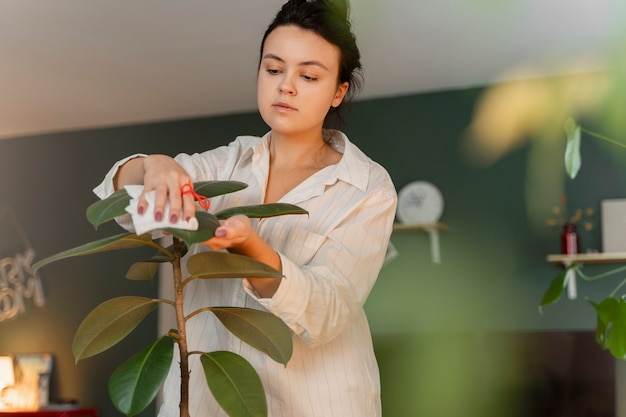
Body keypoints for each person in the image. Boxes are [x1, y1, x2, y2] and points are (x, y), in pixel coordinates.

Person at [94, 0, 397, 415]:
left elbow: (328, 311)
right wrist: (152, 166)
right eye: (273, 69)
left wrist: (251, 249)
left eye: (308, 75)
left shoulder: (368, 188)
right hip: (203, 402)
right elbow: (127, 207)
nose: (285, 86)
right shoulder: (225, 164)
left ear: (338, 91)